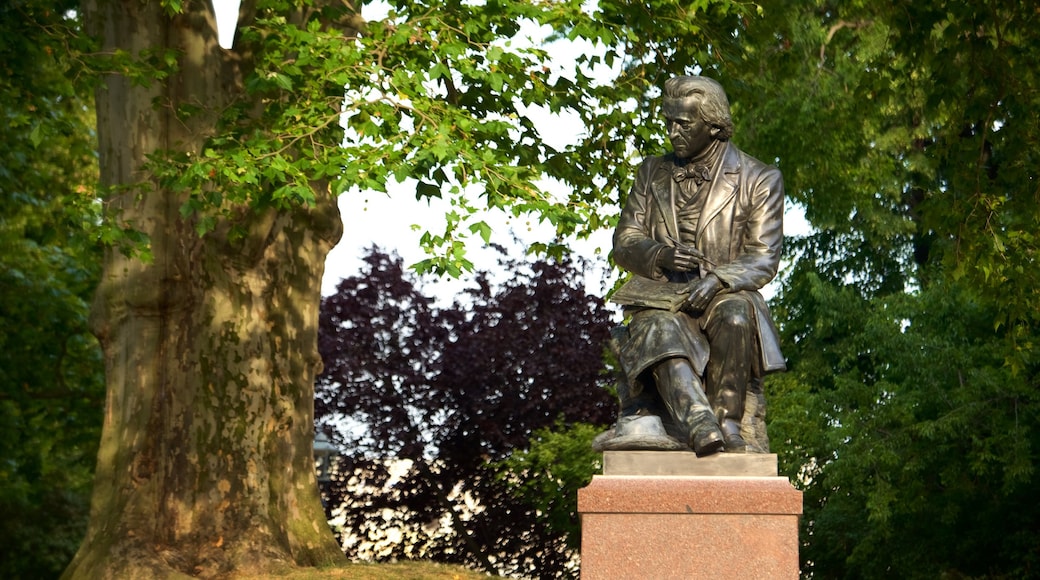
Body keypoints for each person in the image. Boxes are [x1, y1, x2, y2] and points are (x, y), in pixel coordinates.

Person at [608, 75, 785, 457]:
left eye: (683, 124)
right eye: (668, 122)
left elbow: (763, 256)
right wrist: (660, 255)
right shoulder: (651, 172)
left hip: (722, 293)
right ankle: (701, 427)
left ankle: (729, 426)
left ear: (714, 125)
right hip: (662, 296)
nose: (672, 132)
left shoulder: (760, 178)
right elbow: (624, 241)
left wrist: (719, 280)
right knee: (658, 328)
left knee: (736, 316)